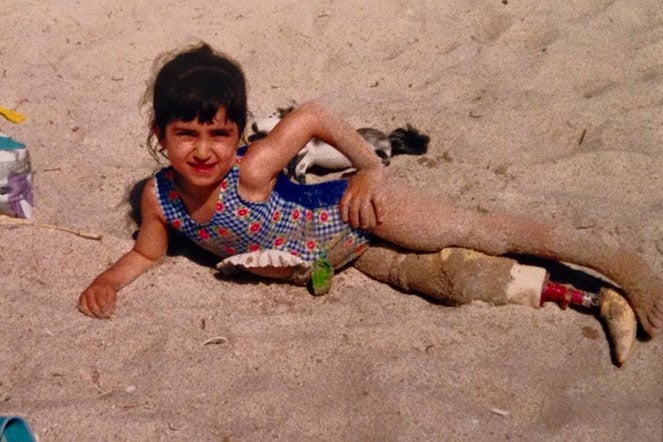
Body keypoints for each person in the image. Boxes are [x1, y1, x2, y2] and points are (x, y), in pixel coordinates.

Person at [78, 43, 662, 350]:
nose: (202, 151)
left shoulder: (250, 171)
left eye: (218, 134)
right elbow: (148, 253)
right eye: (185, 134)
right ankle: (578, 297)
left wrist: (369, 170)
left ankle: (619, 264)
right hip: (343, 262)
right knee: (448, 281)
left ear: (237, 135)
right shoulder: (161, 200)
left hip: (356, 213)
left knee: (478, 229)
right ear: (161, 135)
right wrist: (109, 279)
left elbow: (311, 115)